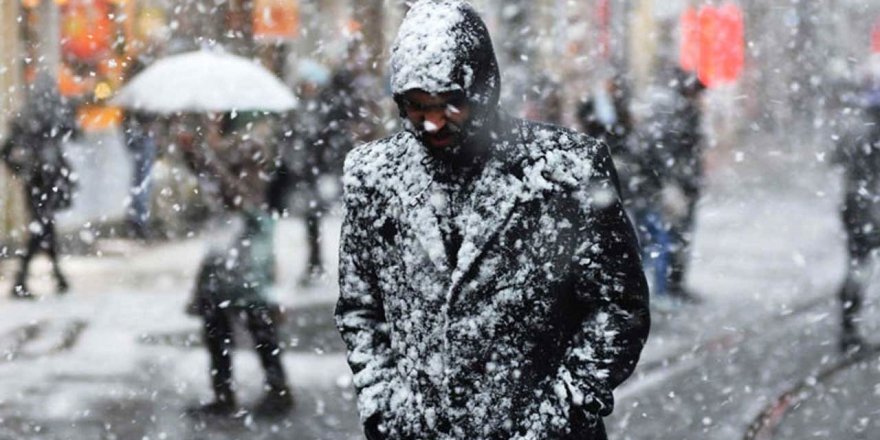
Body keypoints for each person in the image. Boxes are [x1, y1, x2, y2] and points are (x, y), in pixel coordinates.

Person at [335, 2, 650, 439]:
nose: (431, 123)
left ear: (483, 88)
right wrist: (385, 407)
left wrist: (557, 417)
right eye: (416, 106)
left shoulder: (567, 171)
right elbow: (360, 308)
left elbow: (618, 308)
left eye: (449, 104)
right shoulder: (371, 176)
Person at [182, 118, 293, 418]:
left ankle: (277, 390)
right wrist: (194, 154)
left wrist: (206, 157)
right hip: (227, 257)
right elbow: (218, 186)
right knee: (218, 329)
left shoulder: (254, 155)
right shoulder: (234, 156)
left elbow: (239, 195)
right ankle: (225, 394)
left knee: (259, 327)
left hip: (248, 260)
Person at [2, 73, 77, 299]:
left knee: (44, 227)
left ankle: (53, 276)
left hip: (38, 180)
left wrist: (20, 170)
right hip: (46, 179)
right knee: (42, 228)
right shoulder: (48, 114)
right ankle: (24, 279)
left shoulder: (29, 115)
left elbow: (6, 151)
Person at [641, 67, 707, 304]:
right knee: (672, 238)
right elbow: (671, 152)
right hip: (680, 187)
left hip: (683, 186)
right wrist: (673, 183)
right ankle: (670, 287)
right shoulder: (681, 115)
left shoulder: (682, 114)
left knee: (675, 238)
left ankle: (673, 285)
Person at [831, 84, 880, 354]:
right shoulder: (872, 133)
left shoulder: (854, 129)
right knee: (859, 268)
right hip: (872, 209)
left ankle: (848, 328)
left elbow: (835, 158)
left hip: (853, 206)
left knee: (856, 267)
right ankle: (849, 332)